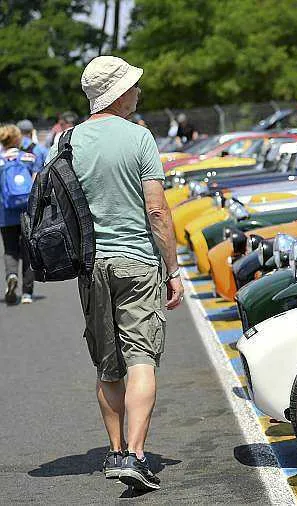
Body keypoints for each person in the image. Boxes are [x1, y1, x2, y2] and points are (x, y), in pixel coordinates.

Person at [46, 55, 183, 491]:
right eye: (133, 85)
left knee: (108, 366)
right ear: (119, 94)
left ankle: (115, 450)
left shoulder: (66, 142)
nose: (138, 91)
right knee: (141, 358)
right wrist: (173, 269)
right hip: (138, 262)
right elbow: (157, 210)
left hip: (92, 266)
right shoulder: (139, 138)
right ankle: (136, 456)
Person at [0, 124, 37, 304]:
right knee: (28, 251)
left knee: (10, 249)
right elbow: (36, 183)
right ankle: (27, 293)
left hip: (5, 212)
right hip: (27, 211)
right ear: (17, 139)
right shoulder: (29, 158)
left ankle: (11, 275)